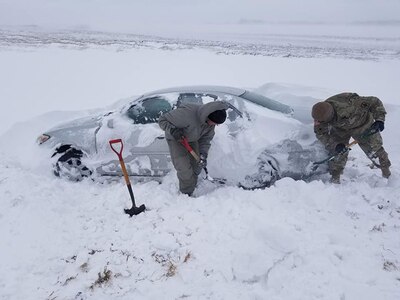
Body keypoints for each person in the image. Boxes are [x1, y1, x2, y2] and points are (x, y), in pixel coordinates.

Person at [311, 92, 391, 184]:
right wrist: (335, 145)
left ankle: (387, 174)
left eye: (321, 121)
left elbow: (375, 101)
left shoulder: (353, 105)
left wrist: (379, 119)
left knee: (375, 150)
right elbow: (321, 133)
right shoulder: (320, 113)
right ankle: (335, 177)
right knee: (338, 152)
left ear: (331, 116)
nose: (318, 122)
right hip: (340, 129)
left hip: (363, 125)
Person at [158, 101, 229, 195]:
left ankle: (191, 186)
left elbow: (206, 140)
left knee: (197, 166)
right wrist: (174, 131)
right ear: (208, 116)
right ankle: (186, 194)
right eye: (215, 123)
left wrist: (203, 154)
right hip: (177, 139)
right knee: (184, 169)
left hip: (192, 139)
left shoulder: (209, 124)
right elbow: (162, 120)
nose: (215, 125)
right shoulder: (186, 114)